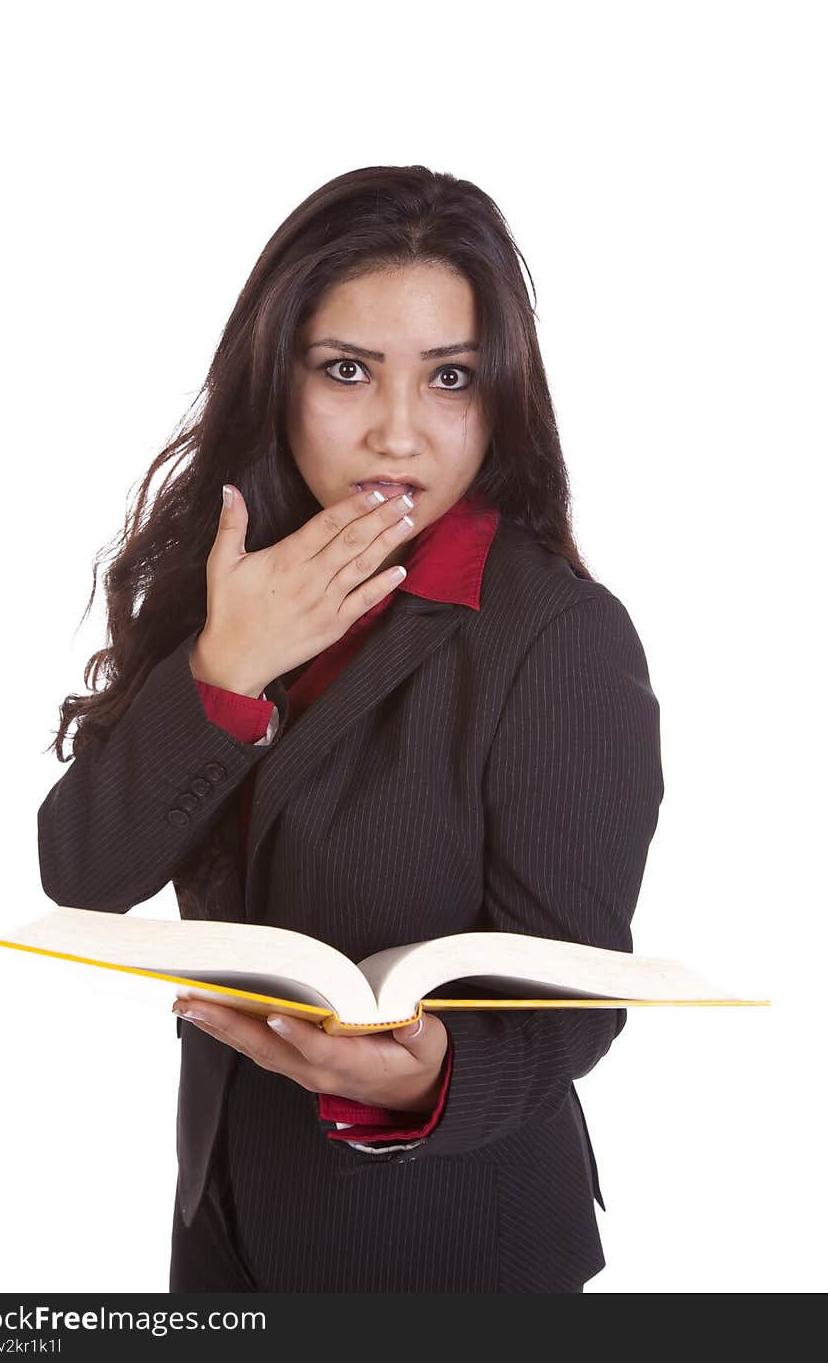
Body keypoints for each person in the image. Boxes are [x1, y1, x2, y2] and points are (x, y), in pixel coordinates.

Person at [37, 163, 664, 1294]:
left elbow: (576, 993)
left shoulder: (558, 636)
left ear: (501, 394)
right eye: (346, 371)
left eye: (450, 379)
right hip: (222, 1226)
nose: (397, 434)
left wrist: (430, 1079)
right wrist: (227, 667)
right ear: (277, 380)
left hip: (448, 1249)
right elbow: (84, 870)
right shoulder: (231, 583)